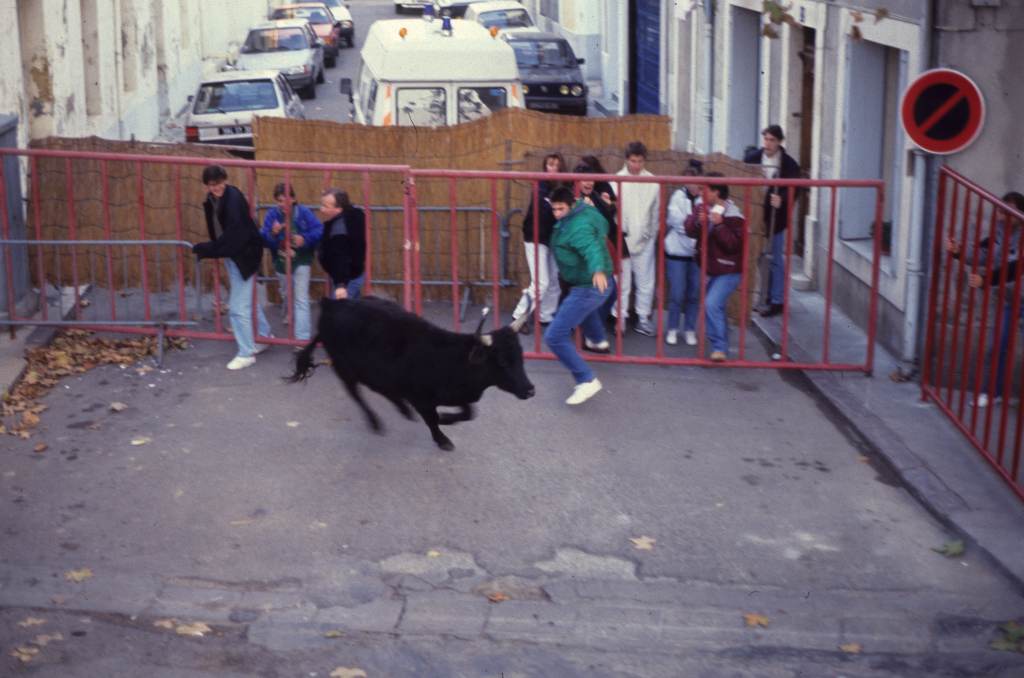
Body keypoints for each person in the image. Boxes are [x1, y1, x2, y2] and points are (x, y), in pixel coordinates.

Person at [945, 191, 1024, 408]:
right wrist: (958, 251)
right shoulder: (999, 235)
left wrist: (986, 280)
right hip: (1010, 299)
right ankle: (992, 393)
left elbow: (1016, 268)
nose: (1004, 214)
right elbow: (982, 253)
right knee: (998, 345)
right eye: (1001, 209)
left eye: (1011, 209)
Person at [193, 164, 271, 371]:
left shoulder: (233, 200)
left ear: (225, 180)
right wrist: (214, 249)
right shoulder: (215, 199)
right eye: (210, 185)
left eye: (218, 183)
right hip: (235, 255)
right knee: (249, 301)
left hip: (243, 256)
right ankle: (264, 336)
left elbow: (235, 237)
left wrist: (208, 249)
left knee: (238, 308)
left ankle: (246, 353)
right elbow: (223, 234)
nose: (215, 187)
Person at [544, 186, 614, 405]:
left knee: (554, 336)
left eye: (561, 209)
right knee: (583, 312)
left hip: (591, 284)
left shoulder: (578, 227)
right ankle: (597, 340)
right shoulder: (584, 210)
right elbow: (602, 225)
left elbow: (590, 247)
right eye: (554, 209)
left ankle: (586, 379)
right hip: (591, 285)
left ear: (571, 205)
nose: (557, 213)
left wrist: (597, 269)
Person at [685, 172, 745, 362]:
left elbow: (734, 245)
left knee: (711, 304)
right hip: (710, 268)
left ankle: (720, 347)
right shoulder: (702, 207)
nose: (701, 193)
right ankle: (721, 342)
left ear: (716, 192)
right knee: (714, 306)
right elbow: (689, 230)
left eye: (705, 190)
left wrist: (719, 225)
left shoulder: (734, 215)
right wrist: (698, 222)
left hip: (729, 270)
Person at [744, 124, 802, 318]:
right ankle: (760, 297)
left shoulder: (788, 164)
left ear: (779, 142)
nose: (768, 143)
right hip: (755, 217)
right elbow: (742, 177)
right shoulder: (753, 158)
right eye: (766, 139)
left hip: (776, 219)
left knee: (776, 259)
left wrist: (783, 199)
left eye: (772, 140)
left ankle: (777, 300)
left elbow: (796, 188)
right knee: (757, 257)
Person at [261, 182, 323, 341]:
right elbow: (263, 238)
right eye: (279, 200)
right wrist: (273, 234)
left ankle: (301, 339)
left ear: (294, 198)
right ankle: (289, 311)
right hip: (281, 262)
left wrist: (305, 239)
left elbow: (319, 230)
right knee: (286, 292)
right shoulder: (272, 215)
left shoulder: (303, 213)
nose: (283, 204)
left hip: (302, 259)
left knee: (301, 298)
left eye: (286, 199)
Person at [512, 152, 566, 332]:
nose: (553, 169)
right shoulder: (540, 187)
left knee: (553, 281)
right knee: (541, 282)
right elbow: (548, 213)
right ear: (545, 167)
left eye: (557, 165)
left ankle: (546, 315)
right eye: (550, 165)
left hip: (552, 240)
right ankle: (518, 317)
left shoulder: (560, 188)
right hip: (536, 238)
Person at [575, 163, 624, 350]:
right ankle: (590, 335)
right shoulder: (573, 198)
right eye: (584, 179)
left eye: (591, 179)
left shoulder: (594, 196)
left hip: (599, 252)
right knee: (596, 292)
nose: (589, 182)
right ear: (577, 181)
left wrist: (608, 205)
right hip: (584, 254)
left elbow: (607, 222)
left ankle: (592, 332)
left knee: (611, 292)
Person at [615, 141, 661, 336]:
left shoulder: (653, 182)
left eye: (640, 161)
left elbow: (656, 213)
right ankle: (620, 318)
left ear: (644, 161)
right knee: (622, 281)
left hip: (645, 240)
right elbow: (613, 212)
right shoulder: (615, 180)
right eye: (633, 161)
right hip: (622, 239)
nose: (636, 165)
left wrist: (650, 235)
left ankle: (643, 318)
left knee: (645, 281)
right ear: (627, 160)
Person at [664, 160, 704, 346]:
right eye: (688, 180)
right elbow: (675, 221)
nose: (692, 184)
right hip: (676, 253)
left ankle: (689, 329)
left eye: (695, 181)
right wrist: (694, 224)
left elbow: (705, 224)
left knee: (694, 293)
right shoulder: (677, 197)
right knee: (677, 294)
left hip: (696, 254)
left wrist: (691, 224)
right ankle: (672, 328)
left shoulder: (705, 198)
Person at [318, 188, 367, 300]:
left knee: (339, 312)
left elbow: (341, 258)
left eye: (325, 206)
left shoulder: (339, 231)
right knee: (353, 311)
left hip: (347, 278)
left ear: (338, 209)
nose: (321, 209)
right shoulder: (353, 215)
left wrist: (341, 285)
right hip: (353, 273)